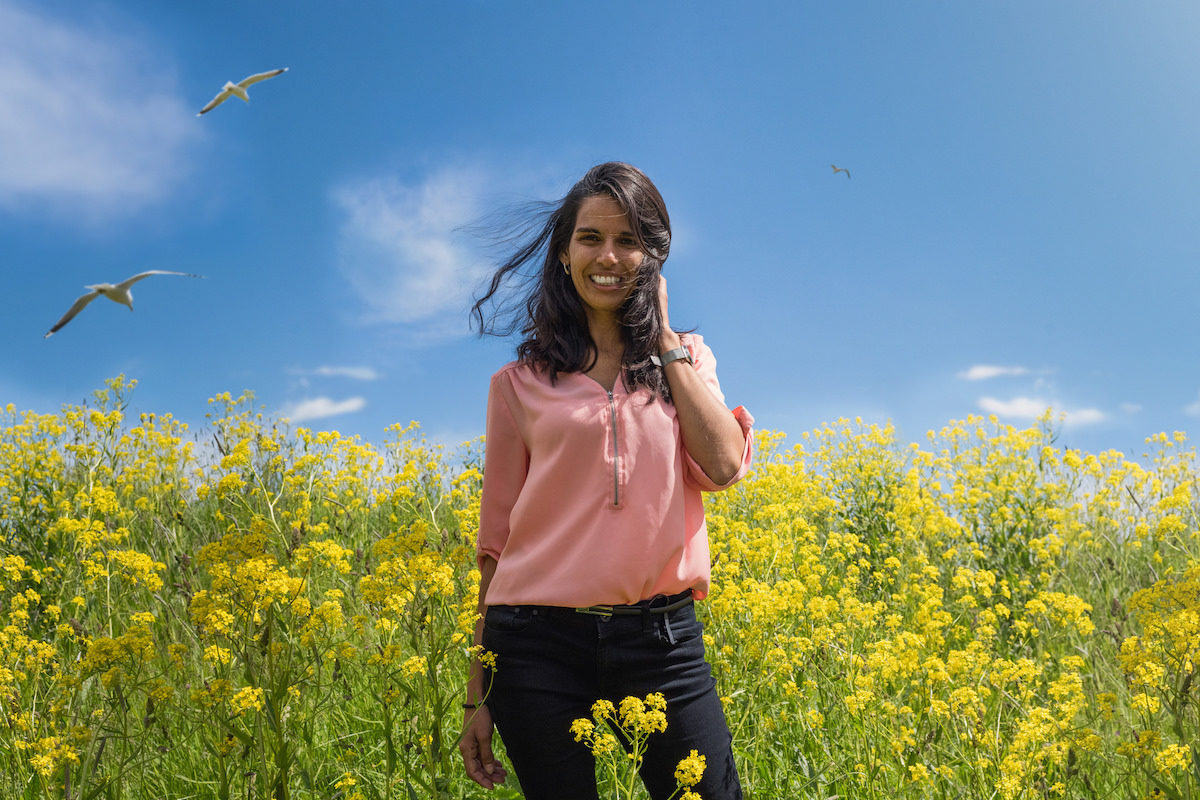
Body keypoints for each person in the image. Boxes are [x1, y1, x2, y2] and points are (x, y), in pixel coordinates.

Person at [460, 162, 754, 800]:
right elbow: (496, 546)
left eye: (629, 241)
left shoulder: (687, 359)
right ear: (564, 252)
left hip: (662, 643)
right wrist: (476, 696)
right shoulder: (517, 386)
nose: (609, 256)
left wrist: (667, 344)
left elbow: (726, 465)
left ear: (653, 256)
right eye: (591, 238)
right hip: (534, 646)